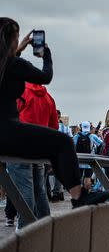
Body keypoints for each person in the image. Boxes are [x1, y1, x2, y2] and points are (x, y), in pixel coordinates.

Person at [0, 19, 109, 208]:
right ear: (10, 40)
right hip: (8, 130)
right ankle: (78, 196)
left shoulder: (7, 65)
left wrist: (18, 49)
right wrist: (47, 55)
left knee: (52, 152)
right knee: (63, 142)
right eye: (17, 38)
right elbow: (46, 77)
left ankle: (76, 195)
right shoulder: (15, 65)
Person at [5, 81, 59, 228]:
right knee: (39, 191)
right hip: (39, 151)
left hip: (19, 149)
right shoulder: (48, 97)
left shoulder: (19, 93)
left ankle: (25, 231)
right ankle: (45, 227)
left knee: (25, 191)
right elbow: (54, 126)